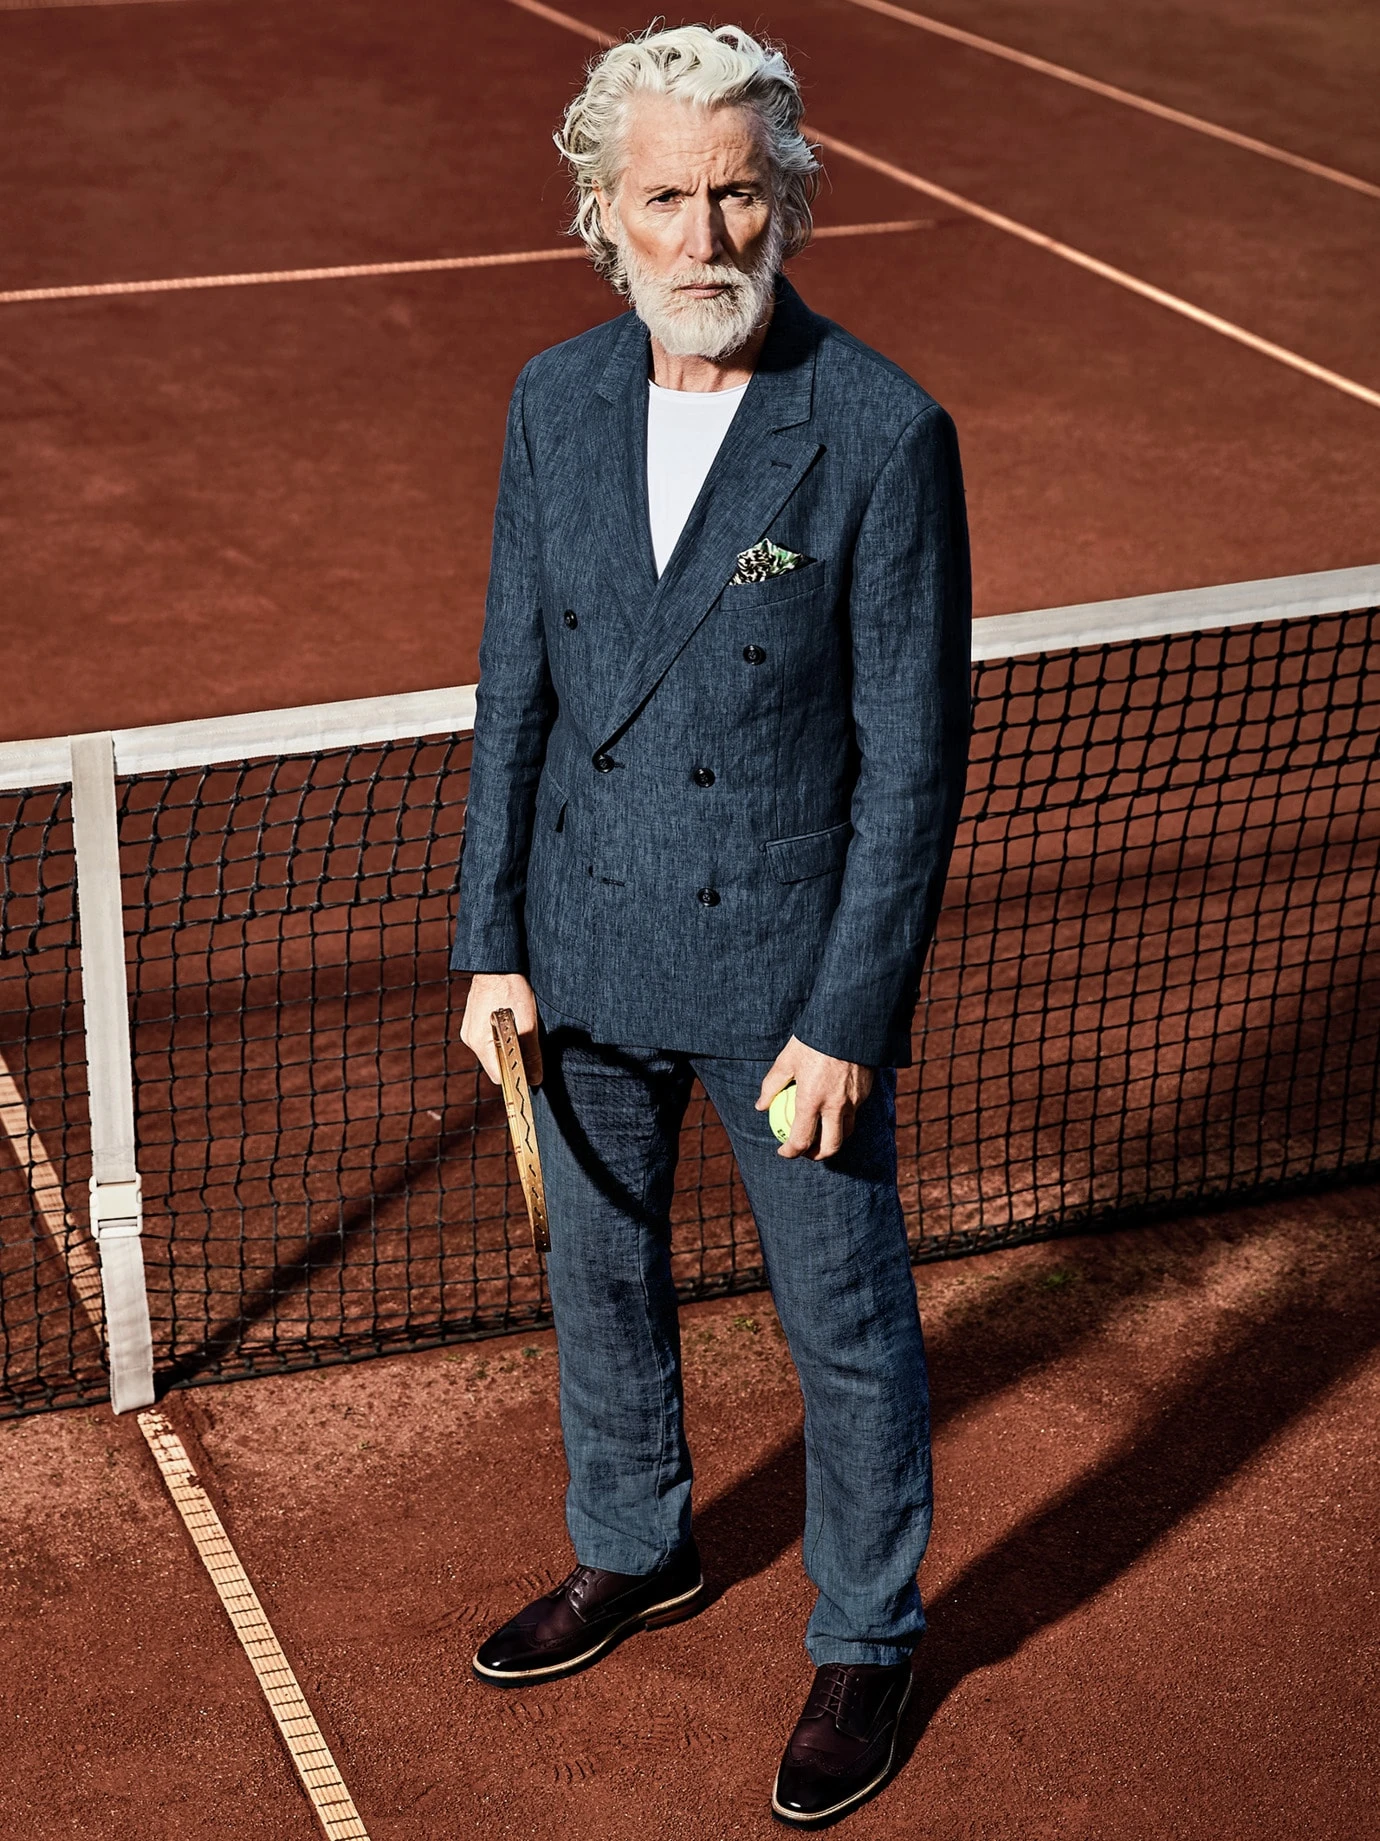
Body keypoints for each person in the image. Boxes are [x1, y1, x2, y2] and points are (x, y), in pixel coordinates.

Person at [451, 23, 971, 1827]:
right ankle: (635, 1544)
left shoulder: (880, 431)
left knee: (844, 1324)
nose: (704, 233)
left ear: (789, 200)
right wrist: (489, 941)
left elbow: (912, 765)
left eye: (739, 192)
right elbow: (512, 690)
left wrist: (849, 1017)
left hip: (782, 983)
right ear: (603, 211)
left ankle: (868, 1635)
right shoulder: (553, 399)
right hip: (579, 946)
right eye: (666, 195)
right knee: (597, 1282)